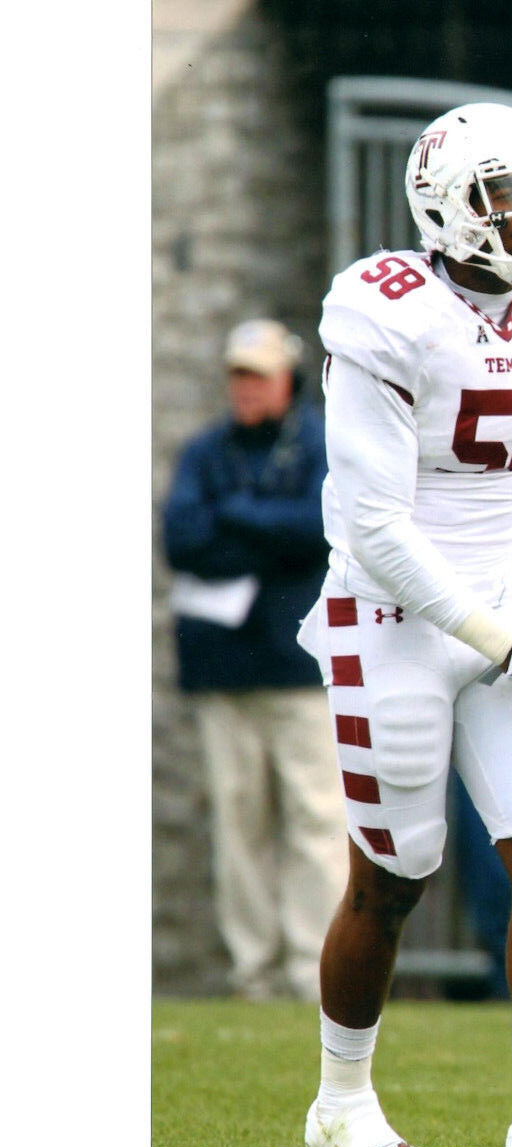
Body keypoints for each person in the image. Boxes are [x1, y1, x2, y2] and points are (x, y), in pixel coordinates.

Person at [296, 102, 512, 1147]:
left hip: (504, 611)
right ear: (445, 208)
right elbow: (374, 530)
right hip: (388, 616)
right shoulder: (381, 311)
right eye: (509, 196)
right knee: (394, 876)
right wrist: (507, 637)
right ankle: (341, 1102)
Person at [161, 318, 348, 1004]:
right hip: (224, 666)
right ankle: (254, 971)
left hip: (299, 664)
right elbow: (182, 539)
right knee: (240, 822)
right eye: (237, 375)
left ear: (287, 381)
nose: (246, 389)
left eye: (258, 376)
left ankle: (312, 969)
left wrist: (234, 516)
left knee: (315, 817)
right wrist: (266, 527)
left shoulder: (318, 442)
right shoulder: (207, 451)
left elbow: (322, 526)